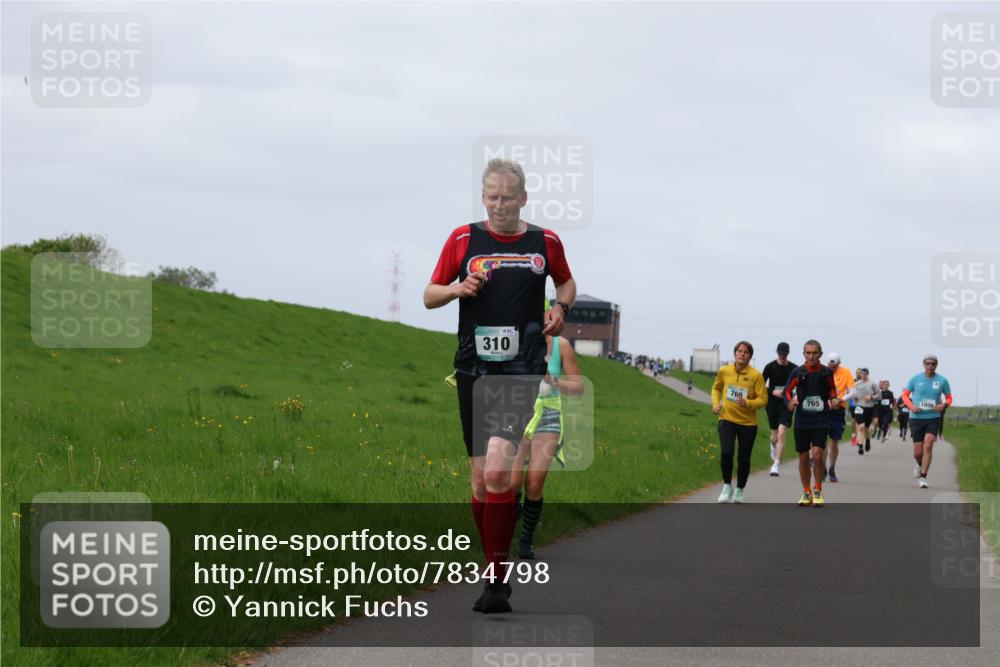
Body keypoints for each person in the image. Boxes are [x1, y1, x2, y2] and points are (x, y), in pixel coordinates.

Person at [424, 158, 576, 613]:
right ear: (483, 196)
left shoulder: (544, 241)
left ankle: (495, 582)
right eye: (492, 196)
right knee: (478, 479)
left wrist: (560, 308)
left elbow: (566, 283)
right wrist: (456, 289)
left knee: (495, 472)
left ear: (523, 198)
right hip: (473, 369)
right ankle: (494, 562)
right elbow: (429, 294)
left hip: (521, 369)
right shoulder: (462, 238)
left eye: (508, 197)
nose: (499, 205)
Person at [510, 328, 583, 559]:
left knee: (534, 481)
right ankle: (508, 523)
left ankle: (526, 539)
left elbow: (578, 387)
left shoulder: (562, 347)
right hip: (518, 413)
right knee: (511, 483)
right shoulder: (516, 341)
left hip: (548, 415)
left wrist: (554, 381)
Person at [711, 341, 768, 503]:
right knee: (726, 452)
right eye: (739, 351)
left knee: (744, 458)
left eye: (746, 352)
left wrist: (748, 403)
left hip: (748, 423)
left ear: (750, 356)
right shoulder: (724, 371)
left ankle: (740, 490)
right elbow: (716, 388)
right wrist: (716, 404)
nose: (742, 354)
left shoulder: (756, 375)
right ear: (735, 353)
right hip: (727, 419)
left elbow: (763, 399)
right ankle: (727, 485)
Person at [784, 340, 838, 507]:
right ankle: (806, 492)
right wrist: (790, 402)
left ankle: (818, 490)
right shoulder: (797, 372)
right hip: (802, 419)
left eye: (814, 353)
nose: (811, 356)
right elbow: (787, 391)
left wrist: (834, 399)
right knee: (803, 457)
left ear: (820, 354)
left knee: (817, 455)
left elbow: (832, 389)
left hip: (821, 418)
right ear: (804, 354)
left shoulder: (826, 372)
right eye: (808, 353)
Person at [901, 354, 953, 489]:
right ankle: (919, 463)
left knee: (928, 445)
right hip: (916, 418)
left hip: (933, 418)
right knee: (918, 452)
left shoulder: (942, 380)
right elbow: (905, 395)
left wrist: (944, 406)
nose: (930, 366)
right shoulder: (915, 379)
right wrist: (912, 406)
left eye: (933, 363)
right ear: (923, 364)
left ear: (936, 365)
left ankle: (923, 477)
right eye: (928, 363)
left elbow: (949, 397)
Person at [761, 342, 797, 477]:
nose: (782, 356)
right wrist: (772, 392)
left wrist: (795, 398)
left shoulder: (794, 369)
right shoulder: (770, 367)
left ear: (788, 353)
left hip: (787, 403)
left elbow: (801, 385)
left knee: (782, 432)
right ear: (777, 353)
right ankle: (772, 445)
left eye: (785, 354)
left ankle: (776, 464)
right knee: (775, 435)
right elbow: (761, 385)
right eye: (781, 354)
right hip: (772, 403)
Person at [824, 353, 854, 483]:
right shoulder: (823, 372)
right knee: (822, 440)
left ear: (838, 364)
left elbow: (853, 391)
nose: (832, 368)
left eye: (834, 366)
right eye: (830, 366)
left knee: (834, 441)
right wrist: (827, 401)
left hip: (838, 409)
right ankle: (822, 468)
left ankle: (832, 468)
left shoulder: (846, 372)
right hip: (824, 408)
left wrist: (842, 399)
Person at [848, 368, 879, 454]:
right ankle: (860, 446)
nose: (863, 375)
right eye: (862, 374)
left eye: (865, 374)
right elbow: (852, 393)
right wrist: (854, 397)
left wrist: (871, 397)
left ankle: (868, 440)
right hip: (859, 407)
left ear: (868, 374)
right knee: (861, 427)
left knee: (865, 428)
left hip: (869, 408)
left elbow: (879, 396)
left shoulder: (873, 384)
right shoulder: (856, 384)